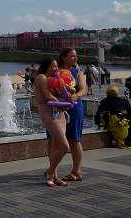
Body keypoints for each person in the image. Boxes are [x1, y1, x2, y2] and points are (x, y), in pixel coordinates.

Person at [35, 57, 70, 187]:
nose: (56, 69)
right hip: (48, 111)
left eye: (57, 66)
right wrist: (63, 104)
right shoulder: (42, 77)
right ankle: (50, 173)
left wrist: (68, 92)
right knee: (65, 146)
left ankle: (55, 176)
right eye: (54, 66)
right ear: (47, 66)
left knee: (56, 146)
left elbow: (60, 94)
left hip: (58, 112)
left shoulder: (53, 79)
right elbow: (48, 96)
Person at [59, 48, 86, 182]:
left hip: (75, 107)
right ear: (64, 57)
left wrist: (76, 95)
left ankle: (77, 171)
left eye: (76, 56)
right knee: (56, 139)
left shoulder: (78, 72)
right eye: (72, 56)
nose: (75, 58)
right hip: (59, 107)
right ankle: (52, 170)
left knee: (74, 139)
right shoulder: (57, 72)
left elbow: (83, 89)